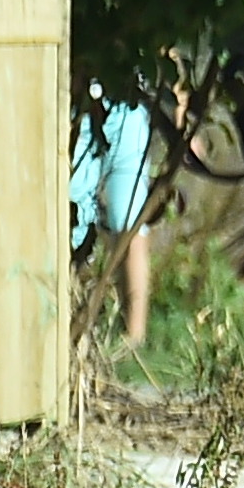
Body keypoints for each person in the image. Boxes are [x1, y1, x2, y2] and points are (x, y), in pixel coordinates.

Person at [68, 94, 156, 346]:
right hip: (79, 104)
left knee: (131, 224)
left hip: (129, 104)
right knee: (75, 219)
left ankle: (134, 341)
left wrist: (181, 109)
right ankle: (67, 322)